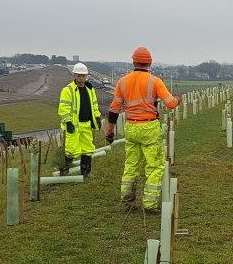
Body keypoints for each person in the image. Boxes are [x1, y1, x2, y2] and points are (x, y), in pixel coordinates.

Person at [104, 46, 180, 211]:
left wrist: (109, 131)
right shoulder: (155, 81)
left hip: (131, 127)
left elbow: (114, 108)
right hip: (149, 127)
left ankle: (127, 201)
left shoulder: (122, 81)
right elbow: (171, 104)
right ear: (150, 62)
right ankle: (149, 204)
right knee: (155, 165)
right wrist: (177, 100)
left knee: (131, 164)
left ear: (133, 61)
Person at [57, 62, 102, 176]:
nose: (81, 78)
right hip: (73, 126)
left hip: (86, 124)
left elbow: (94, 105)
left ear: (86, 76)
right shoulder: (68, 90)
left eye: (83, 75)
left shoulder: (90, 90)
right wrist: (68, 122)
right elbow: (64, 108)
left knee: (87, 149)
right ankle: (64, 173)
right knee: (70, 150)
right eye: (79, 75)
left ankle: (86, 173)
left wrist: (97, 117)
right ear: (74, 75)